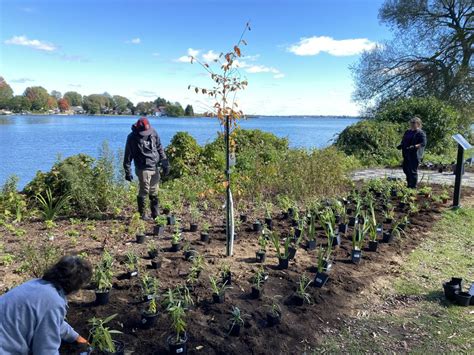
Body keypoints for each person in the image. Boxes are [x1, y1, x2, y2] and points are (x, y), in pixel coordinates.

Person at [0, 256, 92, 354]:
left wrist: (75, 337)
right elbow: (46, 350)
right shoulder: (53, 301)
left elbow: (53, 322)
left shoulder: (36, 284)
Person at [123, 117, 170, 220]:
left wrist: (165, 162)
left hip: (155, 166)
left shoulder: (153, 133)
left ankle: (155, 214)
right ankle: (142, 214)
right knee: (144, 190)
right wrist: (127, 170)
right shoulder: (132, 137)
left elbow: (159, 147)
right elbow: (128, 154)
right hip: (142, 168)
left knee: (154, 190)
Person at [397, 116, 427, 188]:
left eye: (414, 123)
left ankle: (413, 187)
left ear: (418, 124)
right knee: (406, 169)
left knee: (412, 171)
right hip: (406, 153)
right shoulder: (408, 132)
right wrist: (401, 145)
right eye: (411, 122)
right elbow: (404, 140)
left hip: (414, 154)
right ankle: (409, 184)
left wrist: (414, 146)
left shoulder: (420, 133)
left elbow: (423, 143)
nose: (412, 124)